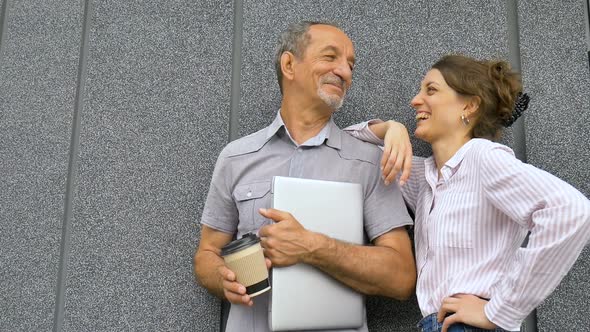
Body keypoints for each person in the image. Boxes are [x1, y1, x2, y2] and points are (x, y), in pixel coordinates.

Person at [194, 21, 417, 332]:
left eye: (350, 64)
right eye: (330, 57)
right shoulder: (235, 157)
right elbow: (207, 252)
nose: (345, 72)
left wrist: (312, 246)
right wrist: (222, 277)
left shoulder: (370, 162)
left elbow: (402, 277)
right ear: (289, 65)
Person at [344, 54, 590, 332]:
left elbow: (571, 211)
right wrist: (391, 128)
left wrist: (498, 311)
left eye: (431, 90)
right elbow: (343, 147)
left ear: (470, 105)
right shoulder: (425, 177)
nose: (415, 100)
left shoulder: (482, 158)